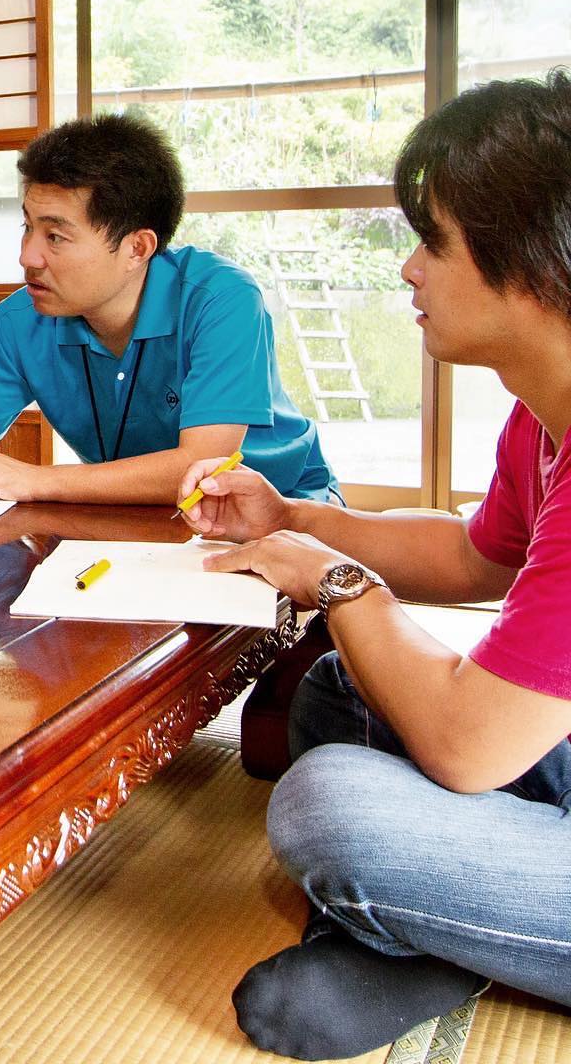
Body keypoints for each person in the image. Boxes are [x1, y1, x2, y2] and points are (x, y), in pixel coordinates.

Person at [178, 70, 571, 1060]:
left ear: (532, 257)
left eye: (432, 241)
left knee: (329, 802)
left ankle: (424, 933)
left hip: (517, 764)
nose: (409, 271)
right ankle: (446, 928)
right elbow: (475, 556)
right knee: (344, 688)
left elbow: (470, 748)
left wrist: (335, 582)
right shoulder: (543, 417)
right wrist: (293, 517)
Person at [0, 115, 334, 508]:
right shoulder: (20, 320)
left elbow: (204, 467)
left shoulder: (221, 299)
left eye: (55, 236)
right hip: (134, 517)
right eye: (28, 227)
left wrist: (37, 480)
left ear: (137, 247)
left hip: (282, 511)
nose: (28, 256)